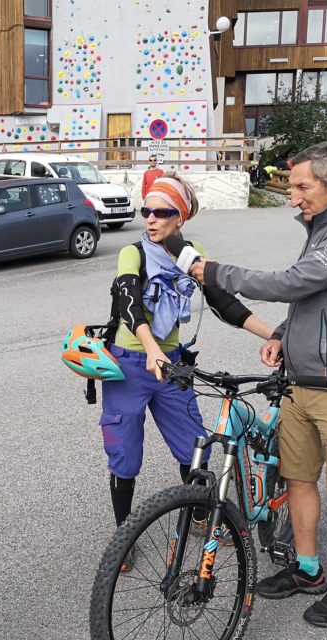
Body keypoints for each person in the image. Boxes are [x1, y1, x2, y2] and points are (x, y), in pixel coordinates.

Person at [189, 141, 327, 628]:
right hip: (301, 381)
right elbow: (316, 300)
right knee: (299, 478)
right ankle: (306, 568)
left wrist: (216, 272)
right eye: (291, 186)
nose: (292, 197)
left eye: (302, 186)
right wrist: (283, 334)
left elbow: (295, 282)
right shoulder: (324, 227)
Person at [105, 173, 273, 569]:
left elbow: (223, 302)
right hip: (130, 362)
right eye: (147, 210)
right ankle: (123, 534)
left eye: (163, 213)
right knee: (124, 454)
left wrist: (274, 333)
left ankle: (199, 515)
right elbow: (128, 302)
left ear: (180, 218)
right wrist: (150, 349)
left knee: (193, 444)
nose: (152, 219)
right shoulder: (134, 252)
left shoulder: (191, 253)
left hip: (173, 364)